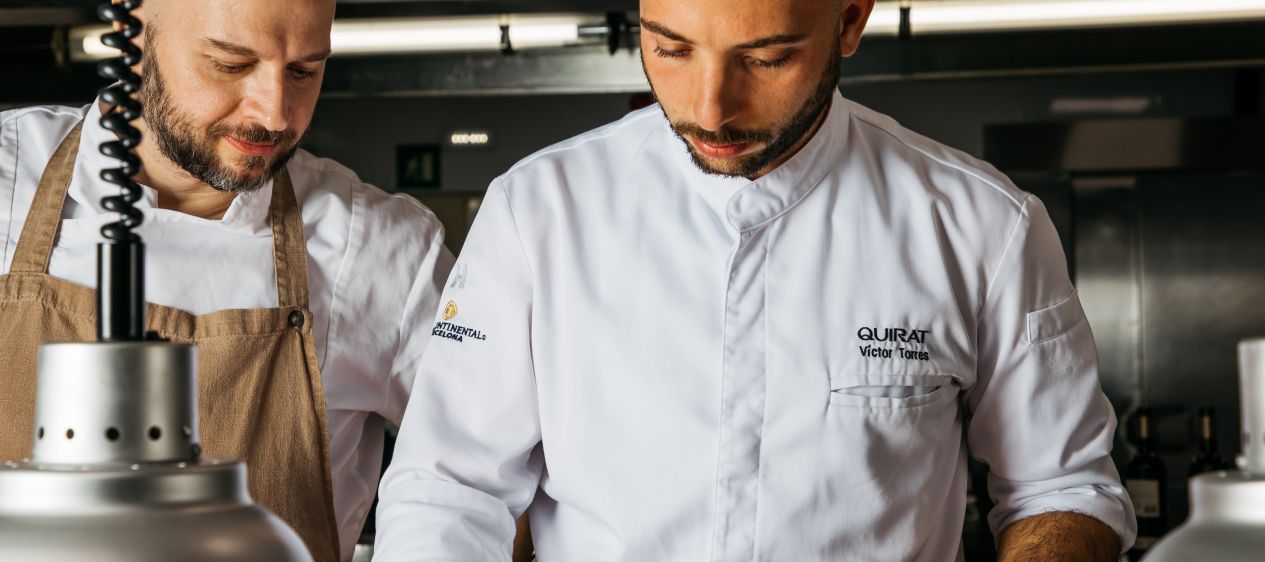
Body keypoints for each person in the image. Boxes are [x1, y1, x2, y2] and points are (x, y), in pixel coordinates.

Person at [373, 0, 1135, 560]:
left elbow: (1061, 490)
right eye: (670, 49)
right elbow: (451, 488)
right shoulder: (538, 209)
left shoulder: (983, 225)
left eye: (766, 59)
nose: (710, 109)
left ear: (849, 19)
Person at [0, 1, 453, 560]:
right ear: (130, 27)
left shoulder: (381, 249)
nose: (274, 115)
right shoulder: (7, 177)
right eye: (230, 64)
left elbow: (483, 478)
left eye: (303, 72)